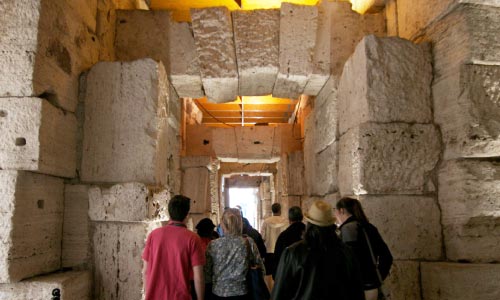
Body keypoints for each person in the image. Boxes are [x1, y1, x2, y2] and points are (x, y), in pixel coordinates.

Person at [272, 200, 365, 300]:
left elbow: (279, 293)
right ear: (332, 225)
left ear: (309, 224)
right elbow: (357, 292)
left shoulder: (293, 253)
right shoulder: (347, 252)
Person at [142, 195, 205, 300]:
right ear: (187, 215)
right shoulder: (193, 239)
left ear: (169, 212)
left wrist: (149, 293)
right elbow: (198, 277)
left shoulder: (153, 235)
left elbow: (145, 271)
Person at [335, 197, 393, 300]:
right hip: (372, 287)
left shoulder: (347, 230)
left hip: (356, 289)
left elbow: (348, 262)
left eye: (335, 211)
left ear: (341, 210)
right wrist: (377, 277)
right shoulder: (369, 227)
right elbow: (387, 256)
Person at [205, 208, 265, 300]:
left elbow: (207, 273)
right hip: (243, 293)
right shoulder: (248, 242)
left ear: (223, 225)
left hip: (219, 293)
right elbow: (261, 269)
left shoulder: (213, 245)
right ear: (240, 224)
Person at [273, 206, 305, 279]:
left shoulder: (283, 236)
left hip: (288, 277)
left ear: (289, 219)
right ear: (302, 217)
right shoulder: (309, 234)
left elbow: (278, 259)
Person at [260, 203, 288, 277]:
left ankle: (270, 288)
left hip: (269, 250)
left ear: (272, 210)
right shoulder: (285, 222)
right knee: (280, 274)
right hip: (281, 251)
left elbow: (262, 237)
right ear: (280, 210)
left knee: (269, 273)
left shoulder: (266, 222)